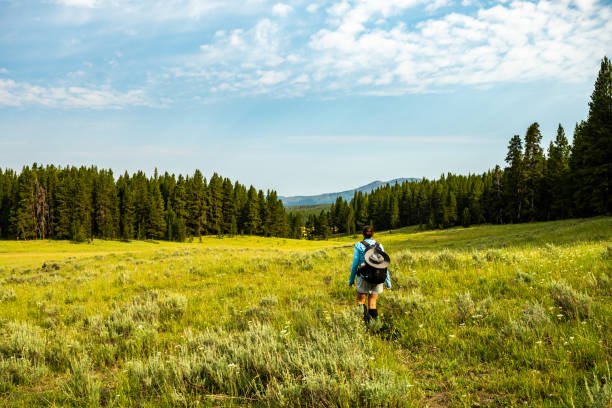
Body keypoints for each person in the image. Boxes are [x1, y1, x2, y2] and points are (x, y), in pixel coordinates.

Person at [348, 225, 391, 323]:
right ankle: (374, 326)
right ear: (373, 234)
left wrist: (351, 280)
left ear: (362, 234)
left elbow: (355, 264)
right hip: (378, 277)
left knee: (360, 301)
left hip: (363, 277)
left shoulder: (359, 245)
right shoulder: (379, 245)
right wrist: (388, 282)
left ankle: (365, 324)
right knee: (372, 303)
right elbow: (384, 265)